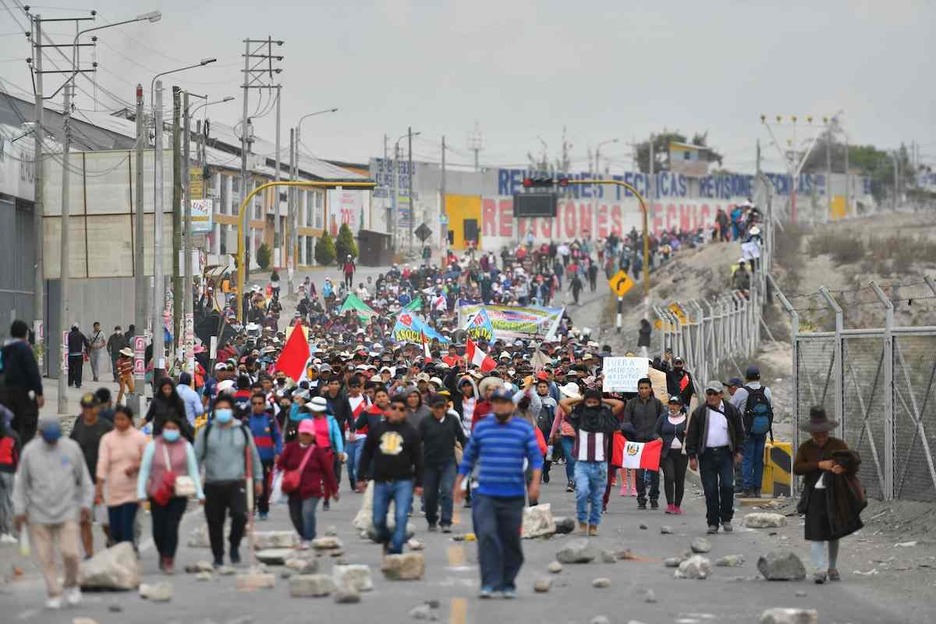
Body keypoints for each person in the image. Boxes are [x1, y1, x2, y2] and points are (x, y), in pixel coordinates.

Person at [455, 387, 542, 599]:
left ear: (512, 405)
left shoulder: (523, 428)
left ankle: (507, 582)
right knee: (487, 536)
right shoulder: (482, 428)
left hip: (513, 495)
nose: (499, 406)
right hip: (485, 493)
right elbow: (469, 457)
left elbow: (535, 457)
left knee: (511, 540)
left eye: (504, 402)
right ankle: (489, 582)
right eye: (496, 402)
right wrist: (459, 483)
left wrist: (535, 484)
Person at [13, 417, 93, 610]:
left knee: (70, 553)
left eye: (55, 438)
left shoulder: (71, 448)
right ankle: (54, 592)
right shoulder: (30, 452)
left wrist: (85, 504)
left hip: (67, 509)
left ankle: (72, 585)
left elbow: (85, 480)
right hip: (39, 512)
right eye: (49, 439)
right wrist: (19, 510)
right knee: (46, 557)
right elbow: (21, 484)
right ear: (40, 434)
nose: (52, 442)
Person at [793, 407, 864, 585]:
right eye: (817, 433)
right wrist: (819, 465)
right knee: (816, 533)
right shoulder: (805, 447)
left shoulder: (838, 445)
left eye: (823, 432)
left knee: (834, 532)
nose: (821, 436)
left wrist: (843, 468)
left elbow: (854, 462)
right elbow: (797, 468)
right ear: (811, 433)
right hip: (814, 496)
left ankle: (832, 567)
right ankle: (820, 570)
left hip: (836, 495)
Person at [195, 394, 263, 568]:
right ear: (214, 411)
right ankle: (218, 556)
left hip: (237, 482)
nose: (223, 411)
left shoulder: (242, 431)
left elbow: (253, 456)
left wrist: (258, 479)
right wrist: (195, 485)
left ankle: (234, 544)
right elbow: (196, 458)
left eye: (226, 408)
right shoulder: (206, 432)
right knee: (214, 522)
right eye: (219, 409)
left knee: (240, 515)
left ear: (232, 410)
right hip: (212, 483)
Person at [356, 394, 423, 555]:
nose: (397, 412)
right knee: (378, 519)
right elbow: (366, 453)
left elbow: (418, 459)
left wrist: (419, 483)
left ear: (406, 412)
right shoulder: (378, 429)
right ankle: (386, 539)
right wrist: (361, 477)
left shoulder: (411, 432)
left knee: (401, 517)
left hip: (403, 481)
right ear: (389, 409)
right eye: (394, 408)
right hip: (381, 480)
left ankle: (396, 552)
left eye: (401, 409)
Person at [138, 416, 204, 573]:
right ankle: (162, 552)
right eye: (168, 428)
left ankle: (169, 558)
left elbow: (193, 471)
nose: (171, 431)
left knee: (172, 526)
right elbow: (144, 470)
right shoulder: (153, 446)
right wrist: (140, 492)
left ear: (179, 430)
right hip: (157, 493)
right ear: (162, 429)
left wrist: (200, 493)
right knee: (158, 528)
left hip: (178, 494)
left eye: (174, 428)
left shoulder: (186, 446)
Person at [559, 388, 624, 535]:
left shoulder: (605, 417)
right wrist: (582, 398)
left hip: (600, 464)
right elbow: (563, 402)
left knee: (597, 498)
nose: (592, 405)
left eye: (595, 402)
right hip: (582, 464)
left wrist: (602, 399)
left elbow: (619, 404)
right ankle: (582, 521)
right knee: (582, 492)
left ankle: (594, 524)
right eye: (589, 402)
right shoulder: (578, 416)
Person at [685, 381, 744, 534]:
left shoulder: (731, 410)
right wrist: (692, 456)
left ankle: (726, 518)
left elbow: (739, 432)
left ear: (721, 395)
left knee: (727, 486)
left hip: (725, 454)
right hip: (707, 456)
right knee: (710, 489)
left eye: (715, 394)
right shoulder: (700, 413)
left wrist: (739, 451)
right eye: (709, 394)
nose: (711, 397)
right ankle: (712, 522)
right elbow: (692, 435)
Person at [278, 418, 338, 548]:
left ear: (313, 436)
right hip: (293, 489)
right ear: (299, 434)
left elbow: (328, 472)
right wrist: (288, 473)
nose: (305, 437)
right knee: (295, 516)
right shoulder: (290, 448)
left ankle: (308, 538)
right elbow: (280, 464)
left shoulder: (317, 451)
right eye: (303, 434)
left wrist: (334, 490)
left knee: (308, 512)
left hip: (312, 490)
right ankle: (304, 535)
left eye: (308, 434)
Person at [94, 405, 147, 545]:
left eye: (123, 419)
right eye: (117, 419)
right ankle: (120, 551)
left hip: (132, 491)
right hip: (113, 491)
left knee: (127, 526)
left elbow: (147, 461)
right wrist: (99, 487)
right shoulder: (107, 439)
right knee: (115, 529)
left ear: (130, 420)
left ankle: (128, 551)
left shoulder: (139, 438)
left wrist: (136, 466)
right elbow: (102, 462)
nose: (119, 422)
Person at [70, 392, 113, 557]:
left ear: (97, 408)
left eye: (91, 407)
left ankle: (111, 540)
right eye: (85, 407)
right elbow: (71, 448)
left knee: (105, 519)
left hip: (103, 480)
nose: (88, 410)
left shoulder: (106, 427)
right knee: (84, 519)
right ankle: (89, 553)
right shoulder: (78, 425)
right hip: (83, 480)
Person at [418, 394, 467, 533]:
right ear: (431, 408)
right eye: (436, 407)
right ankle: (431, 520)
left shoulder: (452, 420)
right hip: (429, 463)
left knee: (447, 491)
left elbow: (461, 437)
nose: (439, 410)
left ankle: (446, 521)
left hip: (448, 461)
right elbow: (417, 441)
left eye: (442, 407)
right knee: (430, 494)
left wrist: (467, 453)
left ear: (446, 407)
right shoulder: (425, 422)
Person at [622, 378, 665, 510]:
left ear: (650, 389)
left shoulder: (657, 404)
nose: (644, 390)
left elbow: (662, 422)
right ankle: (641, 498)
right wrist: (631, 438)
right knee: (639, 474)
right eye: (641, 388)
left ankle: (654, 498)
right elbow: (627, 423)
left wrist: (659, 437)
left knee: (654, 473)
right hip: (637, 443)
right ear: (638, 389)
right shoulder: (631, 404)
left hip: (653, 443)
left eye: (646, 388)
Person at [731, 365, 773, 498]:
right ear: (759, 377)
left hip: (746, 431)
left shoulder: (741, 392)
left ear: (746, 377)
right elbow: (771, 408)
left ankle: (747, 489)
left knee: (747, 459)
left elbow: (731, 408)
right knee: (758, 460)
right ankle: (757, 490)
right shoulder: (766, 390)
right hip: (762, 430)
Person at [0, 319, 44, 443]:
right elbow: (33, 372)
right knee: (26, 424)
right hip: (22, 394)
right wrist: (39, 393)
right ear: (25, 333)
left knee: (9, 423)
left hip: (5, 394)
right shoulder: (24, 349)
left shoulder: (4, 349)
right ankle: (21, 447)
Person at [246, 392, 282, 521]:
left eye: (260, 403)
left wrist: (278, 452)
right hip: (249, 458)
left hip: (267, 457)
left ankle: (263, 510)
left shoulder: (270, 420)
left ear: (264, 404)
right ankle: (251, 508)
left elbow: (277, 437)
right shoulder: (246, 420)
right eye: (254, 403)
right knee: (250, 484)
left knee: (264, 484)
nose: (257, 406)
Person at [655, 396, 689, 515]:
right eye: (671, 404)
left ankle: (677, 505)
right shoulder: (663, 418)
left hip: (682, 454)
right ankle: (670, 504)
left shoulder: (687, 419)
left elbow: (695, 433)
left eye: (675, 404)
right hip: (667, 453)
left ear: (680, 406)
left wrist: (688, 434)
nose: (673, 407)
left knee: (680, 480)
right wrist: (658, 438)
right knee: (669, 477)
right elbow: (655, 432)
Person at [145, 378, 193, 442]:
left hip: (174, 433)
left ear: (173, 389)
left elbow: (183, 417)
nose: (167, 391)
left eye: (169, 389)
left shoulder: (178, 402)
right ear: (161, 389)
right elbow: (149, 416)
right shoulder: (155, 401)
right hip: (158, 433)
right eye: (165, 389)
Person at [0, 416, 21, 543]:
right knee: (8, 501)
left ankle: (2, 530)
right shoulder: (13, 435)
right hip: (8, 471)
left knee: (1, 502)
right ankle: (7, 531)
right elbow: (17, 456)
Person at [66, 324, 89, 389]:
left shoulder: (69, 335)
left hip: (70, 355)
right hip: (79, 355)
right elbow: (87, 344)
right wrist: (87, 352)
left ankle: (70, 382)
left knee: (70, 369)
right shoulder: (81, 334)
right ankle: (78, 383)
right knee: (78, 370)